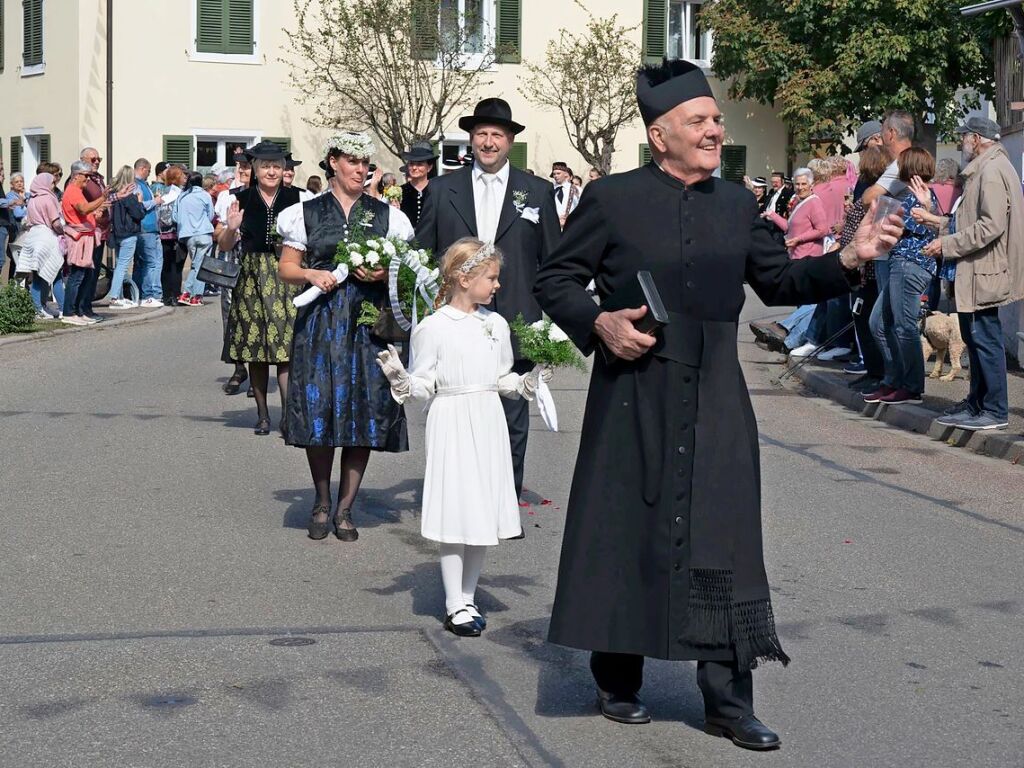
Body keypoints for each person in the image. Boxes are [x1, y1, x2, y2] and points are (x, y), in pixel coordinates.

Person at [533, 58, 902, 748]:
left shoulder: (738, 204)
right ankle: (618, 678)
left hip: (715, 390)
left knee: (724, 535)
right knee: (626, 523)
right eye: (699, 121)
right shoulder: (611, 199)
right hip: (632, 387)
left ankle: (729, 703)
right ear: (659, 135)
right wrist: (599, 323)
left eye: (716, 120)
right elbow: (556, 277)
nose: (714, 129)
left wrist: (852, 256)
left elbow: (784, 279)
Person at [375, 239, 549, 634]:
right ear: (463, 277)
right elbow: (424, 384)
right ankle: (455, 602)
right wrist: (402, 380)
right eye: (491, 277)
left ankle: (468, 595)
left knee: (481, 509)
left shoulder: (495, 324)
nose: (497, 285)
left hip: (487, 418)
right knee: (457, 509)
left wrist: (527, 381)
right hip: (452, 419)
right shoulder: (433, 327)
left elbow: (501, 376)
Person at [415, 97, 561, 509]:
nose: (489, 142)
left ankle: (503, 498)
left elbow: (553, 261)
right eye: (481, 134)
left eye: (497, 134)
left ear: (510, 140)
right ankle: (457, 498)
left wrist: (551, 321)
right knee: (456, 406)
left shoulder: (537, 192)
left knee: (513, 410)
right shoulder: (443, 189)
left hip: (518, 314)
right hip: (457, 317)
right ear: (471, 139)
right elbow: (423, 251)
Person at [277, 131, 414, 542]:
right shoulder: (307, 212)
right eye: (353, 161)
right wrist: (310, 273)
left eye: (365, 163)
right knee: (318, 407)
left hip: (368, 324)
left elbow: (409, 273)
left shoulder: (388, 215)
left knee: (364, 410)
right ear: (333, 162)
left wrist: (384, 273)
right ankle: (321, 499)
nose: (360, 169)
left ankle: (345, 507)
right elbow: (286, 267)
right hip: (320, 322)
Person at [922, 116, 1024, 431]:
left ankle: (993, 410)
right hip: (976, 269)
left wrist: (947, 243)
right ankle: (978, 403)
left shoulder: (991, 171)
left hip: (984, 271)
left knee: (984, 338)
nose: (961, 143)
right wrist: (937, 223)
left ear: (977, 138)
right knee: (974, 336)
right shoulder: (985, 168)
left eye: (964, 137)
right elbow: (969, 222)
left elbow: (991, 225)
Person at [217, 141, 302, 437]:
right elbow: (225, 245)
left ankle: (288, 417)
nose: (271, 171)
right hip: (252, 276)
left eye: (277, 166)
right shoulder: (241, 198)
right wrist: (231, 227)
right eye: (265, 166)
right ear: (254, 169)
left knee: (285, 346)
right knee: (255, 348)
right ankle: (263, 415)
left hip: (286, 274)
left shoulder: (298, 199)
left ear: (284, 169)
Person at [863, 147, 939, 405]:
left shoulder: (922, 196)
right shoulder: (908, 195)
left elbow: (919, 226)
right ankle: (893, 380)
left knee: (904, 326)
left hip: (910, 264)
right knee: (879, 324)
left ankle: (911, 385)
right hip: (899, 262)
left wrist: (885, 220)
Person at [215, 149, 253, 396]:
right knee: (231, 314)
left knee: (256, 316)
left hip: (259, 260)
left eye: (247, 166)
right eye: (240, 166)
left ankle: (258, 369)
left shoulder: (273, 198)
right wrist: (230, 230)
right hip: (234, 259)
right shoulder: (229, 196)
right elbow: (218, 235)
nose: (242, 170)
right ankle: (239, 368)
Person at [61, 161, 110, 325]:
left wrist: (98, 208)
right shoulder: (73, 191)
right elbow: (83, 209)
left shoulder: (78, 191)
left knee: (85, 275)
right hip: (79, 239)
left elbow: (85, 211)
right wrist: (102, 199)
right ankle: (69, 312)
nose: (88, 180)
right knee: (77, 276)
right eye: (86, 176)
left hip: (85, 237)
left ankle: (79, 311)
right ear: (76, 176)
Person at [14, 173, 65, 319]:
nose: (53, 186)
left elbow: (28, 221)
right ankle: (63, 308)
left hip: (33, 237)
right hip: (47, 236)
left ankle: (37, 308)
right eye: (52, 183)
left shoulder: (32, 200)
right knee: (55, 274)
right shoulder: (49, 198)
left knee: (37, 276)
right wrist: (63, 231)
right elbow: (55, 222)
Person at [105, 165, 146, 308]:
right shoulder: (129, 196)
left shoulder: (113, 195)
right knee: (122, 266)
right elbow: (139, 214)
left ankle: (119, 295)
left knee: (119, 265)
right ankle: (115, 297)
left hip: (116, 233)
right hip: (128, 233)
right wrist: (140, 201)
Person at [764, 167, 828, 259]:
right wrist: (771, 214)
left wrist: (799, 239)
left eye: (804, 184)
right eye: (797, 184)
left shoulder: (814, 202)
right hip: (795, 255)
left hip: (808, 257)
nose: (800, 187)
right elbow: (789, 227)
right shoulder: (798, 201)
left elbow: (822, 230)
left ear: (811, 185)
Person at [174, 171, 216, 306]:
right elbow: (211, 215)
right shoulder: (205, 195)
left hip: (188, 235)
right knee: (200, 266)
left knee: (195, 265)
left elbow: (175, 217)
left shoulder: (181, 197)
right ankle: (195, 295)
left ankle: (187, 293)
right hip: (204, 233)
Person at [862, 110, 914, 207]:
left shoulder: (900, 165)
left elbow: (868, 199)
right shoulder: (918, 158)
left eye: (882, 131)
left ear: (891, 133)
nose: (880, 136)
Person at [133, 158, 165, 308]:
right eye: (149, 170)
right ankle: (148, 295)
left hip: (151, 228)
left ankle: (138, 294)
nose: (149, 173)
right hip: (145, 228)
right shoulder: (136, 185)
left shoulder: (144, 185)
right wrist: (156, 201)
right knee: (149, 263)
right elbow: (138, 206)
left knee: (144, 263)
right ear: (143, 168)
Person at [158, 165, 187, 306]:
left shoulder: (162, 192)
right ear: (177, 177)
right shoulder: (181, 194)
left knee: (166, 265)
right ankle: (175, 295)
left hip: (162, 234)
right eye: (182, 175)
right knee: (177, 266)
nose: (185, 178)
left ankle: (166, 295)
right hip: (176, 233)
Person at [399, 141, 437, 227]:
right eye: (411, 164)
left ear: (429, 167)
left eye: (420, 164)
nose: (414, 168)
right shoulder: (400, 191)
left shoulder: (437, 191)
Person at [551, 161, 580, 227]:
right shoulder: (550, 189)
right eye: (554, 174)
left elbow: (581, 207)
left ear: (565, 174)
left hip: (572, 225)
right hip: (554, 225)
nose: (556, 176)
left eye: (558, 173)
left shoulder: (576, 189)